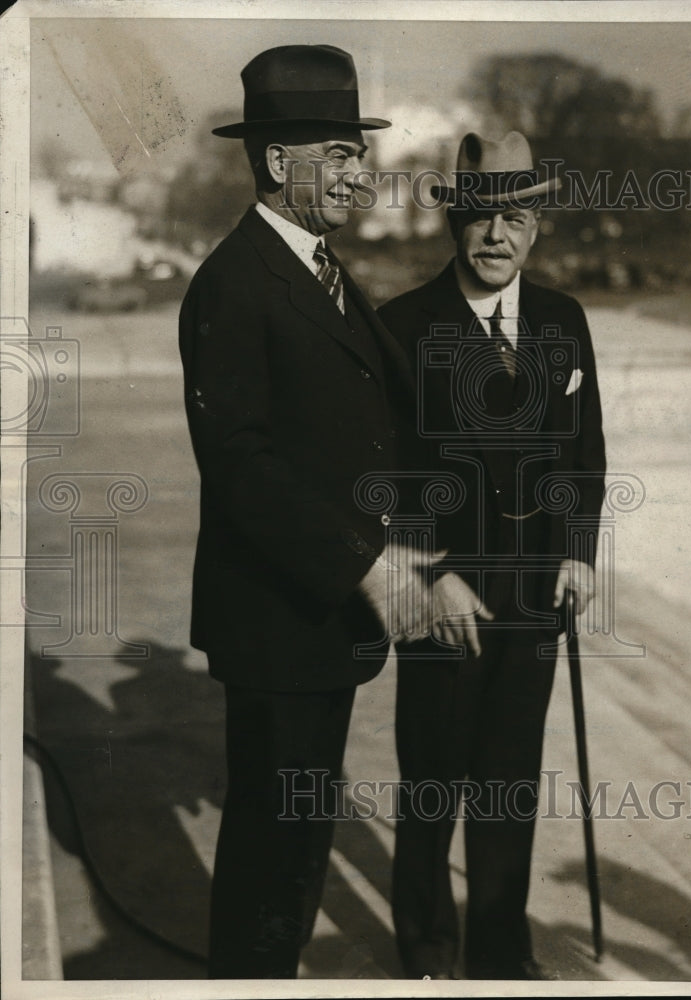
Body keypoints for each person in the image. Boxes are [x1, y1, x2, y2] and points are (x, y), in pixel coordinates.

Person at [178, 44, 431, 979]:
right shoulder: (236, 283)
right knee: (272, 845)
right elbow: (240, 465)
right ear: (278, 162)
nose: (356, 170)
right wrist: (362, 563)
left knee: (299, 836)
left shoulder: (317, 265)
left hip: (315, 620)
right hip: (280, 620)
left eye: (357, 151)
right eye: (336, 150)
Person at [378, 130, 607, 980]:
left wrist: (578, 556)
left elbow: (584, 454)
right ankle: (429, 952)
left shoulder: (561, 319)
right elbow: (384, 475)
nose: (494, 235)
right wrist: (427, 578)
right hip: (444, 597)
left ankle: (502, 958)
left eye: (513, 216)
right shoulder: (402, 326)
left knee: (508, 786)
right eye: (478, 216)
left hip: (535, 598)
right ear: (453, 225)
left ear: (537, 225)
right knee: (433, 783)